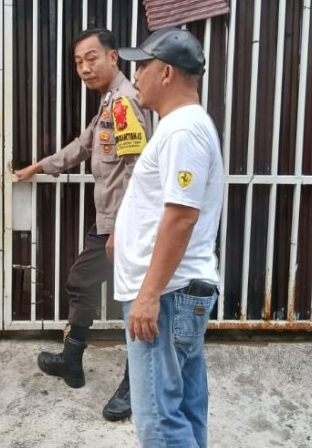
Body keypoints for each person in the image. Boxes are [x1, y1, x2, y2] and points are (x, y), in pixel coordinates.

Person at [14, 28, 152, 422]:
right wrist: (39, 167)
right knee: (83, 283)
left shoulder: (124, 103)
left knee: (132, 303)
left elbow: (137, 170)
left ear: (113, 57)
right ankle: (72, 360)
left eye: (91, 58)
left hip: (121, 223)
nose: (84, 68)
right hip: (109, 220)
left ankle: (135, 385)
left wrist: (123, 229)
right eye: (78, 62)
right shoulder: (110, 102)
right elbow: (84, 145)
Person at [115, 27, 223, 447]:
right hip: (173, 292)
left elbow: (181, 218)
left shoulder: (182, 131)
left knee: (159, 421)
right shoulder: (183, 126)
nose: (135, 76)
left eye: (142, 66)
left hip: (166, 295)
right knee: (185, 409)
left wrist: (148, 294)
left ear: (166, 73)